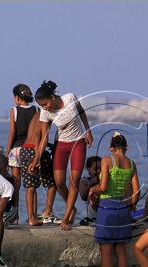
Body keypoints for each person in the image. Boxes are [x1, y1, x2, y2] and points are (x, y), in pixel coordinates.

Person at [30, 80, 93, 231]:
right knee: (58, 182)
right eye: (41, 105)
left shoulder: (70, 98)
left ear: (52, 97)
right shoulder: (45, 113)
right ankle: (72, 208)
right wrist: (36, 159)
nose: (44, 108)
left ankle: (66, 216)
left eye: (45, 103)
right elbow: (45, 137)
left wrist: (88, 130)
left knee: (74, 180)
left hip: (78, 142)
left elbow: (82, 112)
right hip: (61, 144)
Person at [88, 133, 139, 267]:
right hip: (124, 209)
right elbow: (136, 191)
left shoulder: (107, 161)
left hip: (107, 208)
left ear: (111, 147)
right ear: (126, 147)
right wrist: (131, 206)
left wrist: (91, 190)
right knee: (121, 250)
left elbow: (103, 187)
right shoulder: (132, 164)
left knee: (107, 251)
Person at [21, 105, 57, 226]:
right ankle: (47, 211)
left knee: (30, 186)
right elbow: (38, 135)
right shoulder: (46, 114)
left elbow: (34, 134)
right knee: (53, 183)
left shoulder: (36, 114)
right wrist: (37, 158)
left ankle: (32, 217)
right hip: (34, 151)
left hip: (25, 149)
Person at [6, 83, 36, 225]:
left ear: (17, 97)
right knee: (30, 186)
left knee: (16, 185)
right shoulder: (36, 110)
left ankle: (15, 216)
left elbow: (12, 132)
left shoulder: (14, 110)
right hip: (30, 150)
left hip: (16, 150)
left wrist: (8, 150)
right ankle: (32, 216)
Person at [79, 155, 101, 224]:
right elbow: (83, 197)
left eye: (101, 169)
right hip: (93, 212)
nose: (98, 171)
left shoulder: (105, 181)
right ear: (89, 169)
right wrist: (92, 183)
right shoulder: (85, 180)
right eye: (95, 169)